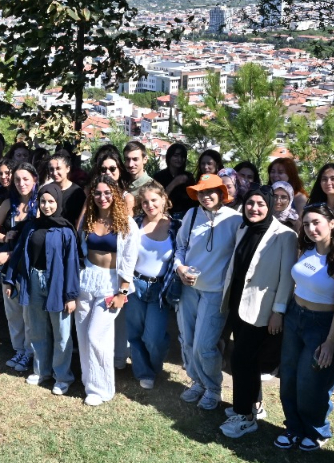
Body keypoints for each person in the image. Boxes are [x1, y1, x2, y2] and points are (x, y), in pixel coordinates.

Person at [219, 187, 298, 439]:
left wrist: (279, 311)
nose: (254, 208)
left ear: (271, 205)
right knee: (243, 361)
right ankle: (246, 407)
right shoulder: (243, 228)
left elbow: (287, 277)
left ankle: (247, 417)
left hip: (262, 309)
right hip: (238, 304)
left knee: (243, 359)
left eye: (260, 204)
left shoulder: (285, 235)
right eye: (250, 203)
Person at [276, 203, 334, 452]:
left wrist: (331, 341)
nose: (310, 228)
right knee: (288, 376)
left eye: (316, 222)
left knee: (312, 380)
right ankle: (293, 427)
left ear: (332, 224)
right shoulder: (305, 250)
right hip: (295, 317)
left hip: (322, 325)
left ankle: (316, 430)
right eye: (306, 223)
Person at [174, 174, 244, 411]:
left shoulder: (235, 220)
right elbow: (180, 247)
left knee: (204, 345)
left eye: (211, 191)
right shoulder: (191, 215)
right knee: (187, 341)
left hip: (215, 292)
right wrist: (180, 268)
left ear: (222, 193)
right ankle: (198, 382)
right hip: (188, 290)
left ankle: (213, 387)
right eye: (201, 192)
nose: (206, 196)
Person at [3, 184, 80, 394]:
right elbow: (18, 254)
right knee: (37, 329)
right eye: (43, 201)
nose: (46, 206)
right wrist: (10, 280)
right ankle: (41, 371)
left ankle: (63, 377)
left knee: (61, 332)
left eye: (51, 202)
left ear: (58, 203)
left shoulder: (66, 230)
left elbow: (72, 263)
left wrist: (71, 295)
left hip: (58, 283)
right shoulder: (31, 227)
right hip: (34, 281)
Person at [74, 173, 140, 407]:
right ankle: (88, 381)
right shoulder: (88, 220)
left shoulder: (127, 223)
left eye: (107, 193)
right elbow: (79, 251)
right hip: (86, 280)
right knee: (83, 336)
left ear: (115, 195)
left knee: (96, 336)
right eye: (98, 193)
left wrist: (122, 292)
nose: (103, 197)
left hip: (110, 284)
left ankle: (102, 388)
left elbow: (129, 261)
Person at [125, 183, 176, 390]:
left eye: (154, 200)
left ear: (164, 199)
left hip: (160, 289)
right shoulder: (134, 223)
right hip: (135, 284)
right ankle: (143, 372)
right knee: (135, 334)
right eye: (145, 201)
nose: (149, 205)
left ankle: (154, 367)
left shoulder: (176, 226)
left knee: (155, 338)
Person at [0, 163, 39, 372]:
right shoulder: (9, 203)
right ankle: (18, 349)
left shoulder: (39, 206)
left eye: (26, 179)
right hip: (8, 268)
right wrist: (4, 236)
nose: (21, 183)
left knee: (29, 314)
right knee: (13, 312)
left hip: (27, 267)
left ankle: (30, 352)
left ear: (35, 180)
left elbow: (36, 240)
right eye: (17, 179)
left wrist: (9, 253)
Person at [153, 142, 194, 219]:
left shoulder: (188, 176)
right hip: (165, 216)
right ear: (169, 157)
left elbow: (193, 199)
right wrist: (174, 183)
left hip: (186, 216)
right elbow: (157, 198)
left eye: (182, 156)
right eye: (176, 156)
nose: (179, 159)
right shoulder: (159, 176)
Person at [45, 152, 85, 227]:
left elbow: (80, 220)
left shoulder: (77, 192)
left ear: (67, 168)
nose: (54, 173)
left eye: (58, 168)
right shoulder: (47, 190)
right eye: (51, 169)